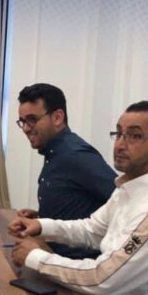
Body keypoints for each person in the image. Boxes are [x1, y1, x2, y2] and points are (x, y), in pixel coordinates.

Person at [8, 101, 148, 295]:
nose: (120, 144)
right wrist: (42, 226)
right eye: (118, 134)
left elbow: (102, 277)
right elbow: (91, 230)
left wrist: (35, 257)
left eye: (134, 136)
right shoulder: (129, 187)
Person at [15, 83, 116, 258]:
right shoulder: (54, 151)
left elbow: (121, 202)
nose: (25, 128)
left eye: (32, 119)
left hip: (75, 263)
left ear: (57, 117)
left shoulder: (76, 155)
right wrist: (43, 215)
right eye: (22, 121)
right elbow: (78, 199)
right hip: (53, 254)